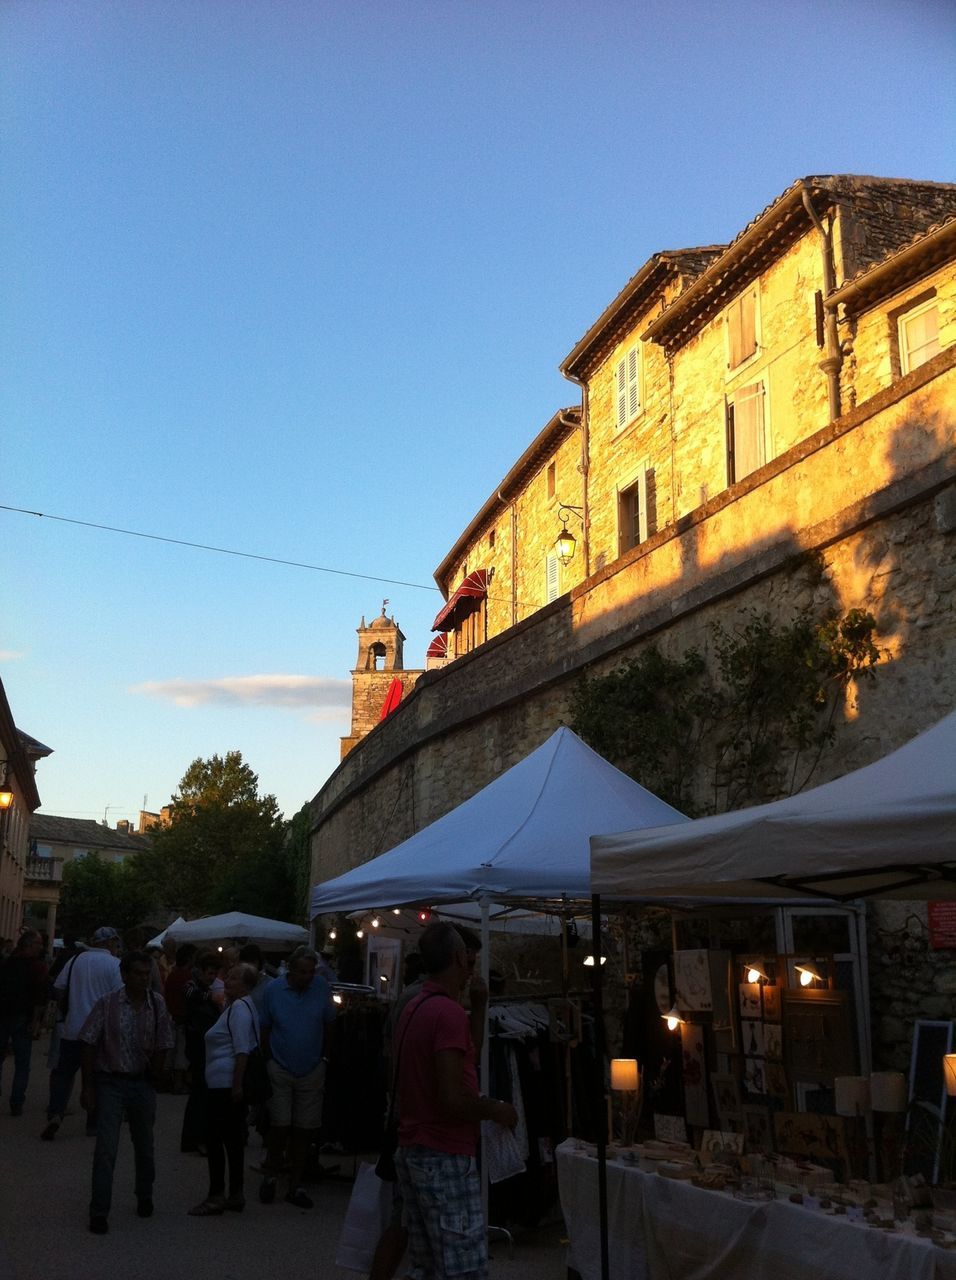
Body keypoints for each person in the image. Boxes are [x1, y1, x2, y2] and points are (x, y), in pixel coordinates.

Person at [393, 922, 516, 1280]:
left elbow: (463, 1058)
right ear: (459, 957)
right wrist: (497, 1110)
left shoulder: (416, 1007)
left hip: (415, 1146)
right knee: (463, 1269)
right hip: (443, 1153)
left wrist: (478, 1008)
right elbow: (451, 1098)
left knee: (428, 1265)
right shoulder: (444, 1012)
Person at [78, 949, 174, 1234]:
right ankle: (99, 1211)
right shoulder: (107, 1004)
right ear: (124, 975)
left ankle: (144, 1195)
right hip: (111, 1082)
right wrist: (87, 1086)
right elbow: (88, 1041)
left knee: (145, 1146)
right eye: (138, 973)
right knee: (106, 1148)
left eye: (147, 974)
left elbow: (164, 1041)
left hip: (142, 1083)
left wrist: (158, 1070)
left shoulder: (156, 1004)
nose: (144, 979)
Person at [258, 945, 337, 1209]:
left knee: (304, 1129)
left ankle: (295, 1183)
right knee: (280, 1124)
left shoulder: (321, 988)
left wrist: (324, 1059)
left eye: (311, 972)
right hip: (280, 1065)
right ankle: (270, 1175)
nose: (307, 977)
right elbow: (266, 1027)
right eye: (302, 972)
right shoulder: (273, 990)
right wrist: (269, 1059)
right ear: (291, 970)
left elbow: (329, 1023)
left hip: (311, 1068)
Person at [188, 963, 260, 1216]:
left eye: (233, 978)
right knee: (231, 1140)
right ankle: (234, 1193)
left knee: (216, 1139)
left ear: (246, 984)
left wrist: (237, 1086)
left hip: (225, 1085)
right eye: (227, 977)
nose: (227, 981)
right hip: (224, 1082)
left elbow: (242, 1050)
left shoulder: (239, 1009)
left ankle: (217, 1194)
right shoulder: (240, 1006)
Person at [42, 925, 122, 1140]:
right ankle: (93, 1121)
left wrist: (73, 1002)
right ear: (109, 943)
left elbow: (58, 989)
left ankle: (55, 1113)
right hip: (99, 1032)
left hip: (73, 1027)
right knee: (98, 1076)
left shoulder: (76, 960)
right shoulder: (115, 964)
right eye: (115, 942)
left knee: (64, 1073)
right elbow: (120, 997)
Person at [0, 930, 49, 1115]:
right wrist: (36, 1021)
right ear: (28, 945)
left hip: (5, 1016)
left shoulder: (6, 962)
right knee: (22, 1063)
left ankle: (17, 1100)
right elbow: (39, 996)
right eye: (38, 944)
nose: (41, 947)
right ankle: (17, 1101)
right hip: (22, 1017)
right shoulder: (37, 967)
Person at [180, 951, 221, 1154]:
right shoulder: (192, 987)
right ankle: (195, 1139)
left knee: (200, 1095)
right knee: (200, 1095)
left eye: (214, 973)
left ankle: (193, 1139)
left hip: (203, 1047)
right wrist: (211, 997)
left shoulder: (205, 990)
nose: (212, 977)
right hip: (197, 1048)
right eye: (209, 973)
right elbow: (189, 994)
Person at [163, 942, 197, 1094]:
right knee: (180, 1054)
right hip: (181, 1019)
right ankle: (178, 1083)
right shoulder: (187, 976)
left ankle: (167, 1082)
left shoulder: (172, 975)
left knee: (171, 1052)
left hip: (171, 1017)